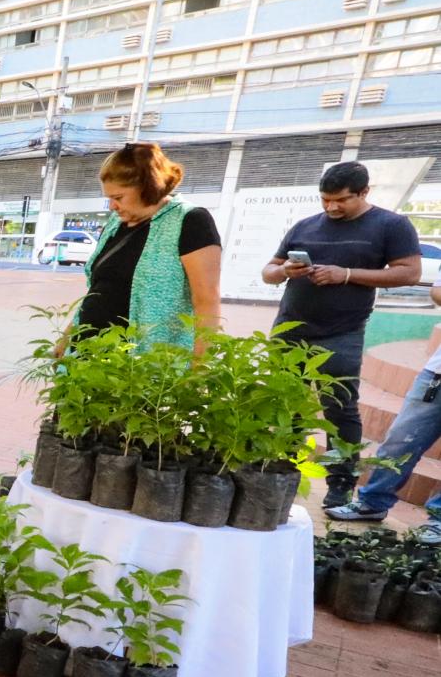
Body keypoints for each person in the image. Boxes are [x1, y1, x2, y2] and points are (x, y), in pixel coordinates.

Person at [261, 161, 422, 509]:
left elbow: (410, 273)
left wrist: (345, 274)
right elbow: (268, 272)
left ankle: (340, 485)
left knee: (340, 411)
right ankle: (280, 474)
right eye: (325, 200)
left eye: (342, 200)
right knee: (286, 407)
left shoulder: (391, 225)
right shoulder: (305, 226)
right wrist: (286, 270)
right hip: (290, 329)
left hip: (342, 333)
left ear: (365, 192)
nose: (332, 207)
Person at [57, 143, 222, 355]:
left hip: (144, 369)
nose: (111, 207)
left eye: (118, 198)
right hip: (87, 359)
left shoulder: (190, 221)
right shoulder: (115, 225)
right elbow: (98, 290)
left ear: (147, 187)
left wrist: (200, 371)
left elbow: (206, 301)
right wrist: (66, 337)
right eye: (109, 199)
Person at [329, 281, 441, 538]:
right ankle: (372, 503)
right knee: (400, 439)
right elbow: (437, 291)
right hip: (437, 374)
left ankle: (439, 519)